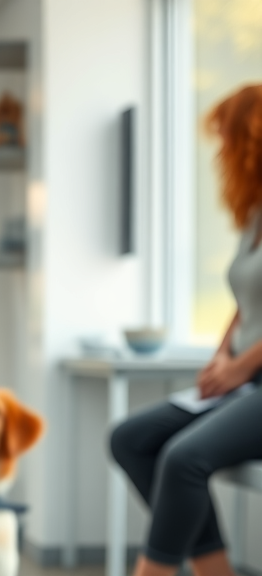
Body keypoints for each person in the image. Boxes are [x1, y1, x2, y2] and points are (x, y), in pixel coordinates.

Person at [109, 84, 262, 576]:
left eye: (225, 139)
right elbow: (245, 302)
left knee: (183, 458)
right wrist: (222, 356)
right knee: (131, 438)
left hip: (255, 379)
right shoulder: (255, 213)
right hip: (244, 378)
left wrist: (242, 365)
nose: (220, 152)